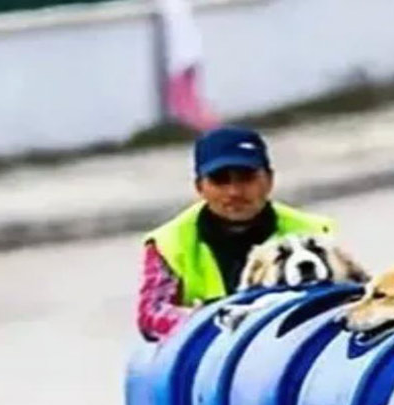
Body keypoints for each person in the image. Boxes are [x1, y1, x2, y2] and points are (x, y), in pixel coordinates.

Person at [136, 126, 335, 341]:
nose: (234, 192)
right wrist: (217, 320)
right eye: (220, 179)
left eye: (246, 177)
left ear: (269, 180)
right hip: (209, 353)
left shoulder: (314, 232)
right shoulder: (168, 243)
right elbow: (151, 314)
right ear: (200, 188)